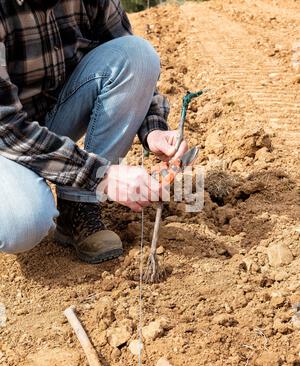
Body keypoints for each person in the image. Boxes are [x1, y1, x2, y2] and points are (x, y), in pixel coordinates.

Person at [0, 0, 188, 263]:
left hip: (54, 115)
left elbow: (129, 60)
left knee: (137, 54)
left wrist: (152, 129)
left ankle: (78, 206)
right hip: (6, 139)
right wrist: (102, 175)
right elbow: (6, 126)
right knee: (24, 224)